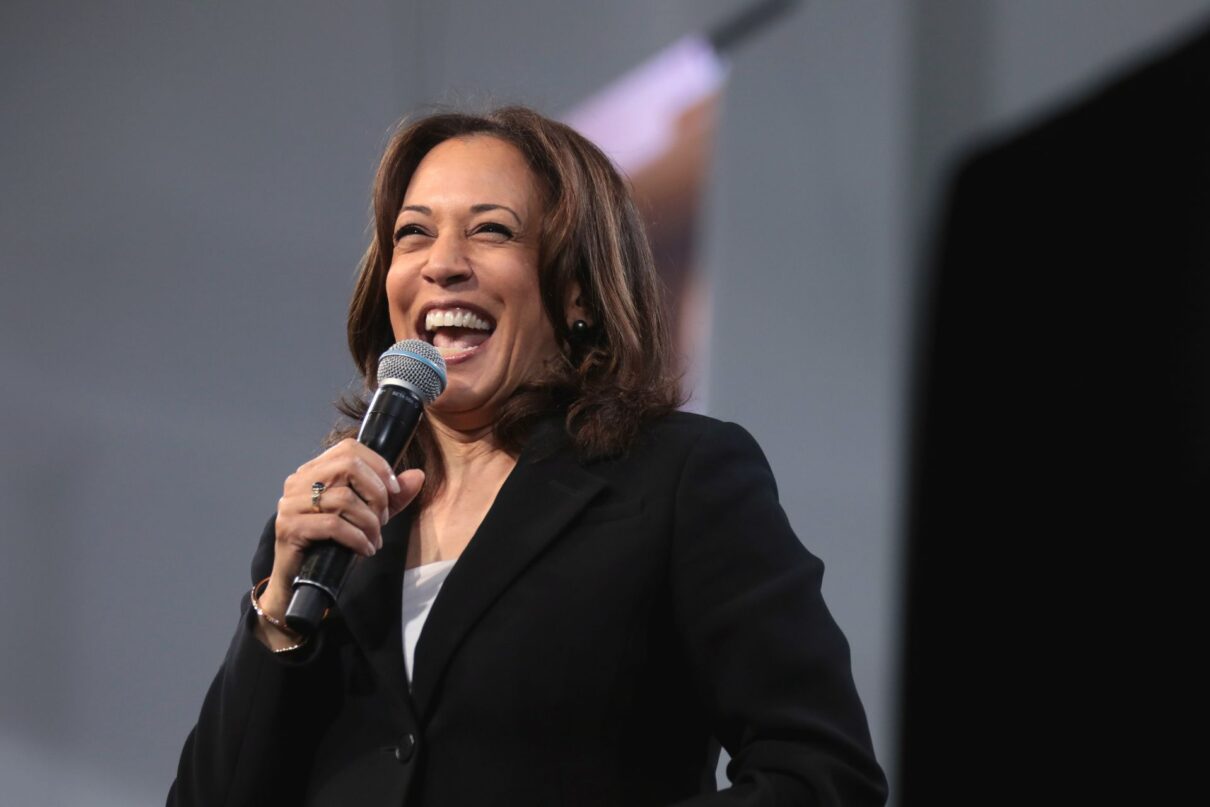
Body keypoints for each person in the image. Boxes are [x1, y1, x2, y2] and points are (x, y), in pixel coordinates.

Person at [169, 106, 887, 806]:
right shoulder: (333, 530)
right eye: (412, 235)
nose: (442, 264)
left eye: (491, 231)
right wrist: (275, 617)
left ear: (575, 291)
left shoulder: (678, 479)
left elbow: (822, 776)